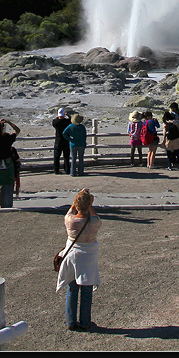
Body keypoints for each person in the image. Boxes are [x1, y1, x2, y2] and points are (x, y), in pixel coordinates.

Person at [55, 189, 101, 331]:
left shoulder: (70, 220)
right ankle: (85, 322)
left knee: (72, 289)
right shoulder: (95, 222)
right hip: (88, 256)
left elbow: (70, 211)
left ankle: (70, 320)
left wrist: (77, 200)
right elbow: (95, 216)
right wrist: (90, 204)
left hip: (72, 256)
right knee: (87, 291)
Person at [0, 119, 22, 207]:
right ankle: (8, 205)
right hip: (7, 163)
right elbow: (17, 130)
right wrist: (8, 122)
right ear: (2, 130)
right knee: (8, 185)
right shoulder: (7, 139)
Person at [52, 108, 72, 175]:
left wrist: (59, 116)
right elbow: (71, 120)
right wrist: (68, 115)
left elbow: (55, 120)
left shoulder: (55, 122)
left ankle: (56, 169)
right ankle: (67, 170)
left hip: (58, 141)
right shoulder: (66, 122)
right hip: (66, 140)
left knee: (57, 156)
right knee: (66, 156)